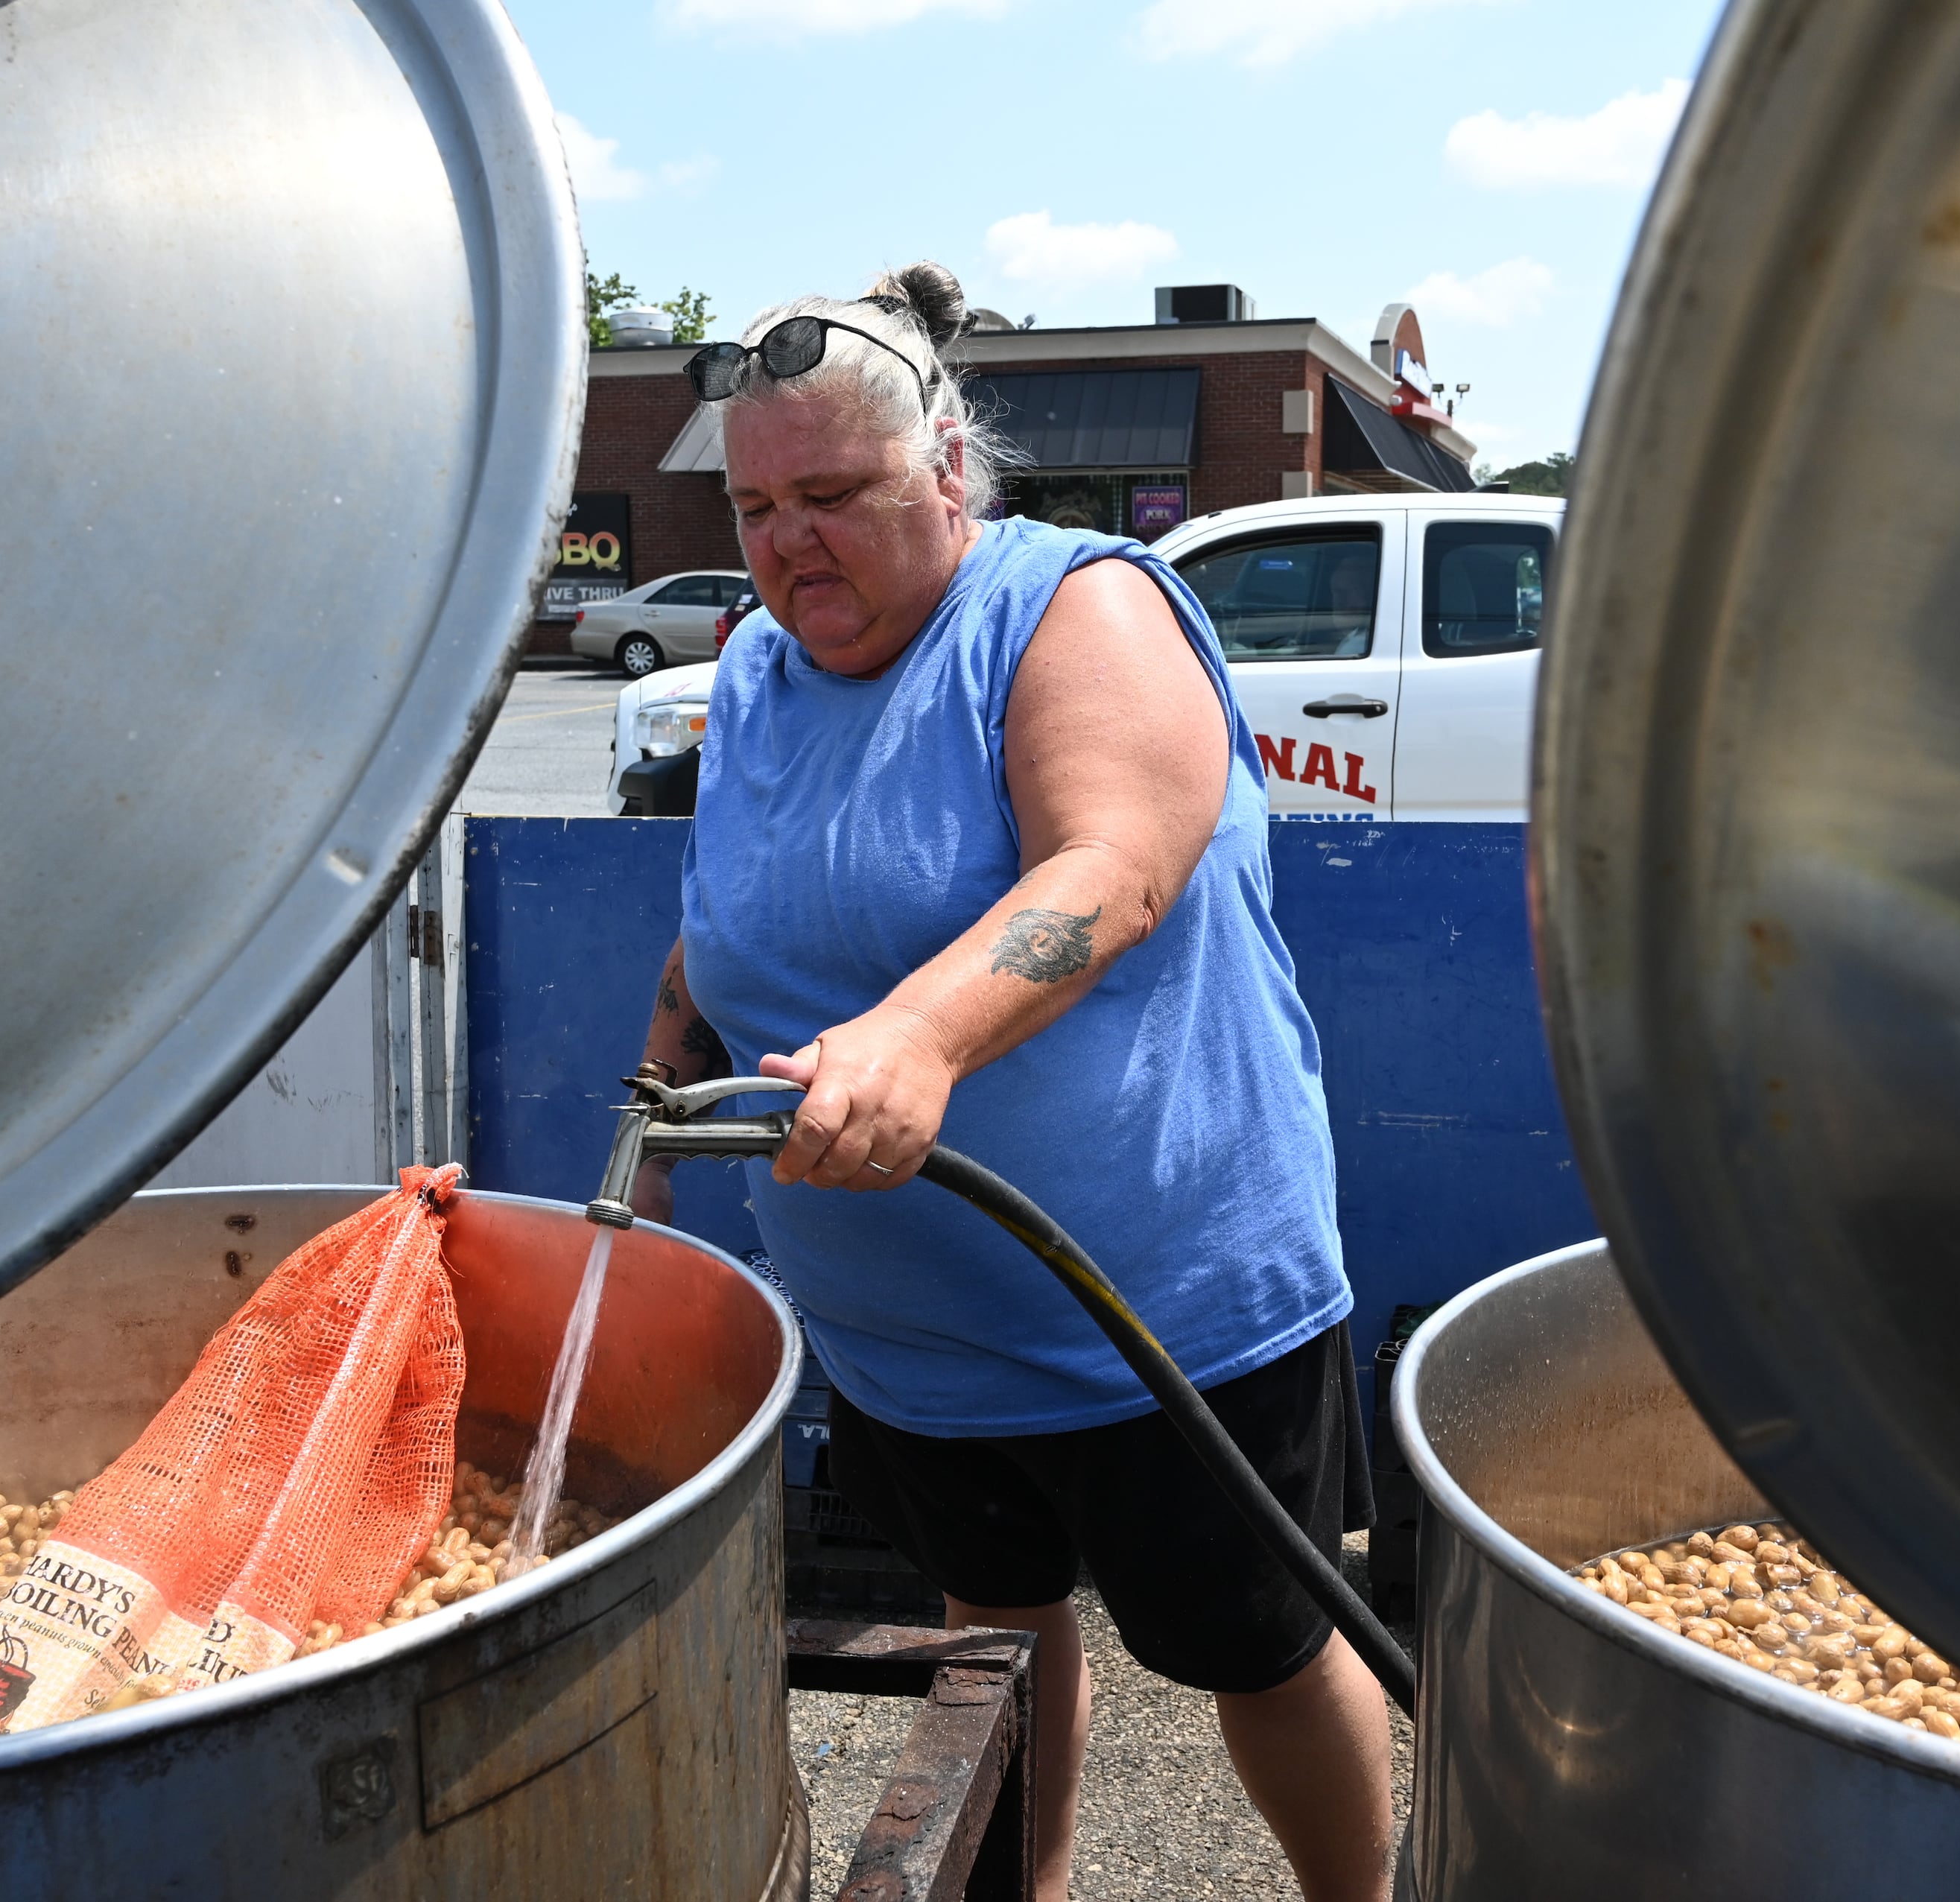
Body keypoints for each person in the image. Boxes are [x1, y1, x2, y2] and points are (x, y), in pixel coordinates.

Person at [628, 261, 1389, 1902]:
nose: (785, 542)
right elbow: (728, 911)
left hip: (1158, 1305)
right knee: (997, 1630)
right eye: (756, 501)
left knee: (1256, 1648)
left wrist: (917, 1038)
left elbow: (1115, 864)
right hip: (907, 1330)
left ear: (949, 471)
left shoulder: (1072, 606)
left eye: (833, 493)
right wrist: (660, 1078)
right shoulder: (761, 665)